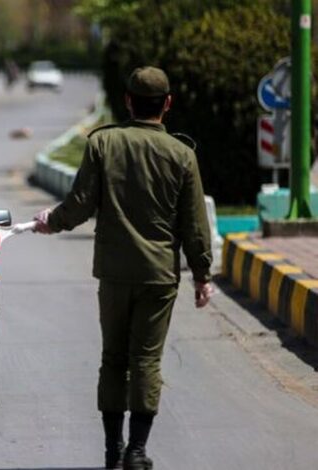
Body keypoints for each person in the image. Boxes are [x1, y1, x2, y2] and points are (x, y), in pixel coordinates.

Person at [32, 67, 213, 470]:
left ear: (128, 100)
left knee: (113, 358)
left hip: (113, 274)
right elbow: (195, 225)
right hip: (159, 276)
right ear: (167, 104)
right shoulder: (183, 155)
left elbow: (79, 203)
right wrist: (202, 275)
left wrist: (51, 222)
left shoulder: (103, 144)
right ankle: (137, 451)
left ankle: (112, 451)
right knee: (146, 360)